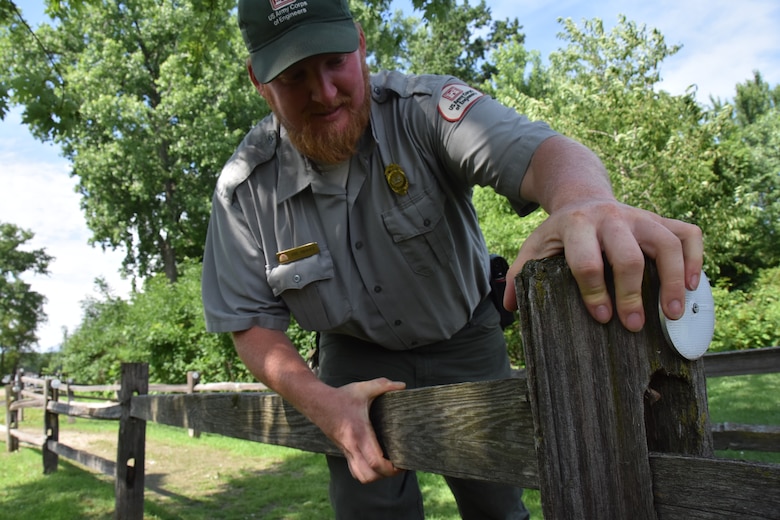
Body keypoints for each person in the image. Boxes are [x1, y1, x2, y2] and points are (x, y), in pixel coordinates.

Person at [201, 0, 703, 518]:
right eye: (293, 75)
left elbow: (541, 153)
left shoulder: (423, 107)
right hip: (352, 360)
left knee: (497, 506)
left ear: (360, 42)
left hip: (467, 337)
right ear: (259, 81)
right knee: (369, 509)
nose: (323, 92)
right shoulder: (244, 191)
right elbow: (252, 325)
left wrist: (583, 202)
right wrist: (320, 402)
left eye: (333, 61)